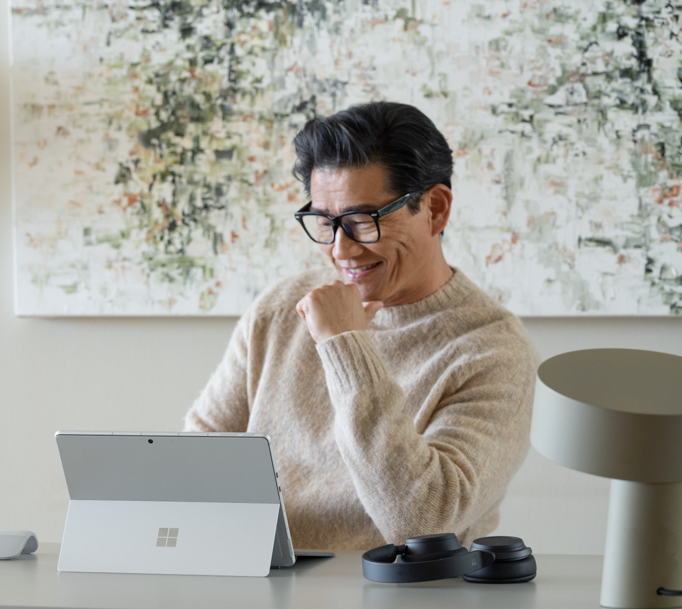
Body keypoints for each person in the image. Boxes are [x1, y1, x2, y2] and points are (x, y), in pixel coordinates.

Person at [185, 101, 538, 551]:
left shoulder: (494, 352)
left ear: (436, 208)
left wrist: (345, 345)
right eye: (325, 222)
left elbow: (422, 523)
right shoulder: (280, 309)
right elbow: (197, 461)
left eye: (362, 221)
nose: (341, 250)